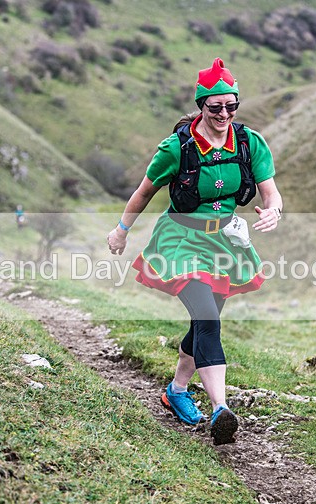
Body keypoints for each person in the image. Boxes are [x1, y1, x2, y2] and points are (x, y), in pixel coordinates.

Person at [107, 58, 283, 445]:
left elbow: (270, 190)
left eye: (231, 106)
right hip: (182, 240)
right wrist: (121, 231)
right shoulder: (177, 148)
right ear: (201, 106)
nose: (224, 114)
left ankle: (176, 392)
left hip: (224, 242)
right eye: (215, 107)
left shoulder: (250, 142)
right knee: (207, 316)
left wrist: (273, 210)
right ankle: (220, 408)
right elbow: (143, 193)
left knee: (207, 320)